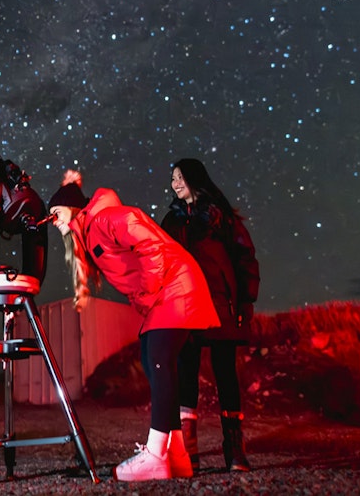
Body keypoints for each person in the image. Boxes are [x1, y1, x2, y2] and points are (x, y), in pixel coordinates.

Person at [46, 169, 220, 481]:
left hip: (172, 287)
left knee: (159, 362)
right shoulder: (89, 232)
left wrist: (149, 291)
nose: (52, 221)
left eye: (55, 213)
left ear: (72, 209)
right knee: (153, 361)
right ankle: (176, 455)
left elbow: (150, 246)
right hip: (167, 291)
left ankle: (155, 455)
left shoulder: (107, 218)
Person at [160, 158, 261, 473]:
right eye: (173, 179)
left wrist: (245, 303)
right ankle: (189, 452)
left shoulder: (222, 219)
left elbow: (245, 260)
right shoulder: (170, 221)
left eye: (179, 178)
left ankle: (234, 450)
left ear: (194, 179)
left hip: (220, 306)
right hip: (184, 307)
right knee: (185, 374)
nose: (175, 184)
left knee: (226, 375)